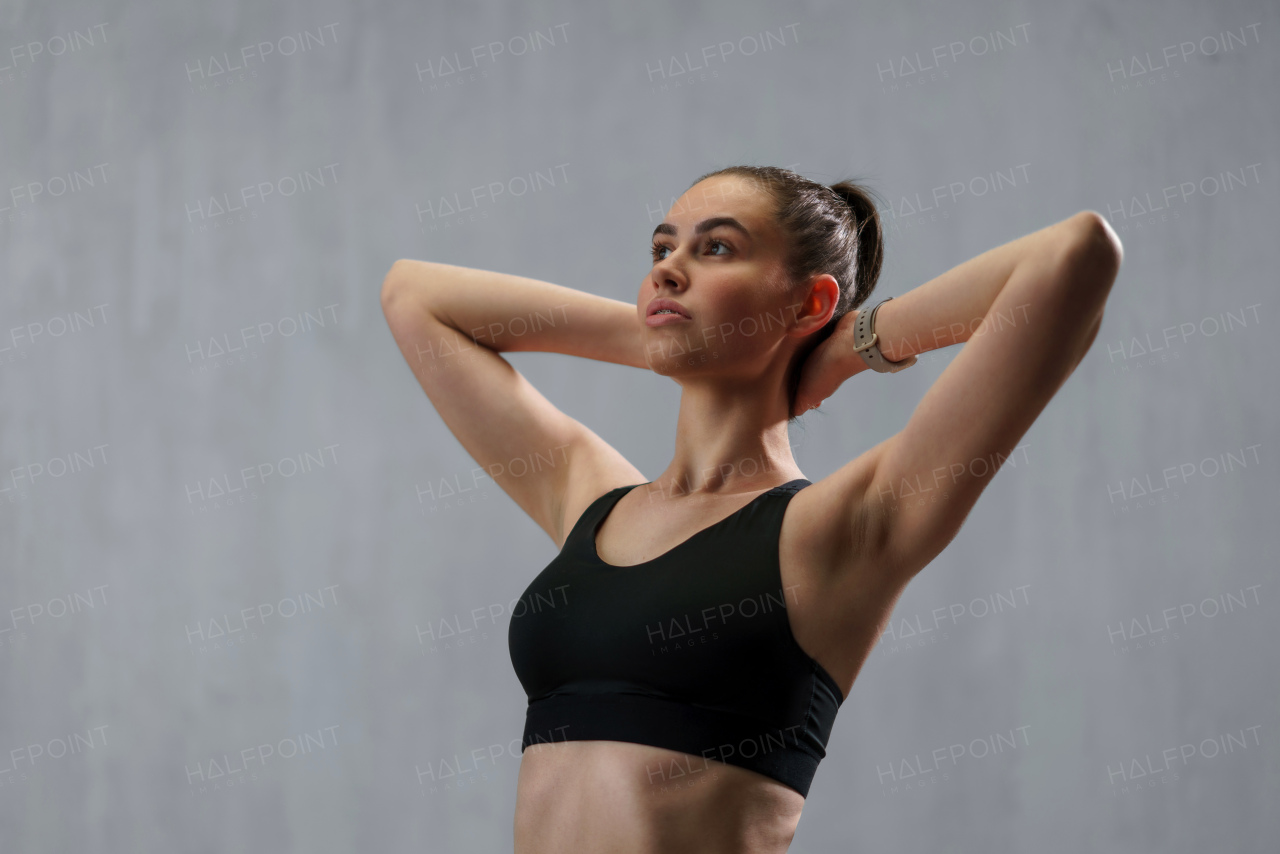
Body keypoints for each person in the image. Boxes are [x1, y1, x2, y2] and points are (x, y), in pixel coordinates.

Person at [380, 165, 1122, 853]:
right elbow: (414, 296)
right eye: (662, 247)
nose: (667, 268)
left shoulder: (839, 531)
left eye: (718, 248)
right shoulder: (589, 500)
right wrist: (664, 335)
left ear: (811, 301)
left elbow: (1074, 256)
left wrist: (845, 347)